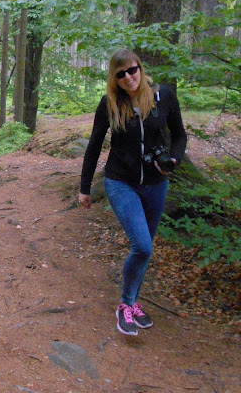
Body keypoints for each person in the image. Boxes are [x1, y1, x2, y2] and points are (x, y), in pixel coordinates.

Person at [79, 49, 186, 336]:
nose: (128, 77)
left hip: (156, 184)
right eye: (121, 73)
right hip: (120, 182)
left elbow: (179, 135)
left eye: (132, 70)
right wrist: (84, 188)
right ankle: (125, 305)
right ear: (114, 78)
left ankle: (133, 302)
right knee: (143, 246)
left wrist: (174, 159)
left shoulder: (163, 97)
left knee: (144, 248)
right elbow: (93, 146)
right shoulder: (109, 104)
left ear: (140, 68)